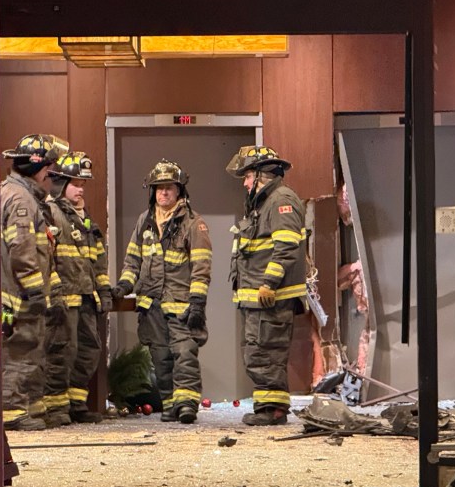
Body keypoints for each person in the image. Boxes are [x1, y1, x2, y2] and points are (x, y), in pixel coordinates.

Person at [112, 160, 211, 424]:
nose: (163, 193)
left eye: (169, 188)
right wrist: (124, 285)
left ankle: (187, 404)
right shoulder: (144, 222)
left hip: (182, 303)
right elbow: (132, 260)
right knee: (161, 357)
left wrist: (198, 302)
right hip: (151, 303)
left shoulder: (193, 223)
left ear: (179, 191)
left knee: (185, 353)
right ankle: (169, 405)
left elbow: (201, 265)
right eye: (159, 188)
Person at [226, 146, 307, 426]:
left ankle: (272, 410)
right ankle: (266, 406)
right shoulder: (264, 203)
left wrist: (269, 283)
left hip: (269, 297)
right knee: (257, 351)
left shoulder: (280, 200)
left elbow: (286, 247)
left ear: (261, 175)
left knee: (267, 352)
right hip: (255, 297)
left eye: (247, 177)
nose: (245, 184)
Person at [0, 133, 69, 433]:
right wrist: (34, 289)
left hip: (23, 291)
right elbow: (22, 249)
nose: (52, 177)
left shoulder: (18, 194)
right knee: (23, 349)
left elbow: (42, 250)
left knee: (32, 349)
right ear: (37, 169)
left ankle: (32, 405)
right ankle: (13, 410)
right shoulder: (21, 200)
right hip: (21, 294)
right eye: (50, 170)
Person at [44, 151, 112, 425]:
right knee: (62, 351)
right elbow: (45, 258)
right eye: (76, 183)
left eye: (83, 184)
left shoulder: (84, 218)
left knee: (88, 350)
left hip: (86, 297)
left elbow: (98, 259)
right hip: (64, 299)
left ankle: (75, 403)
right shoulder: (50, 213)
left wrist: (104, 291)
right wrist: (54, 293)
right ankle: (56, 408)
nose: (81, 189)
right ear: (60, 184)